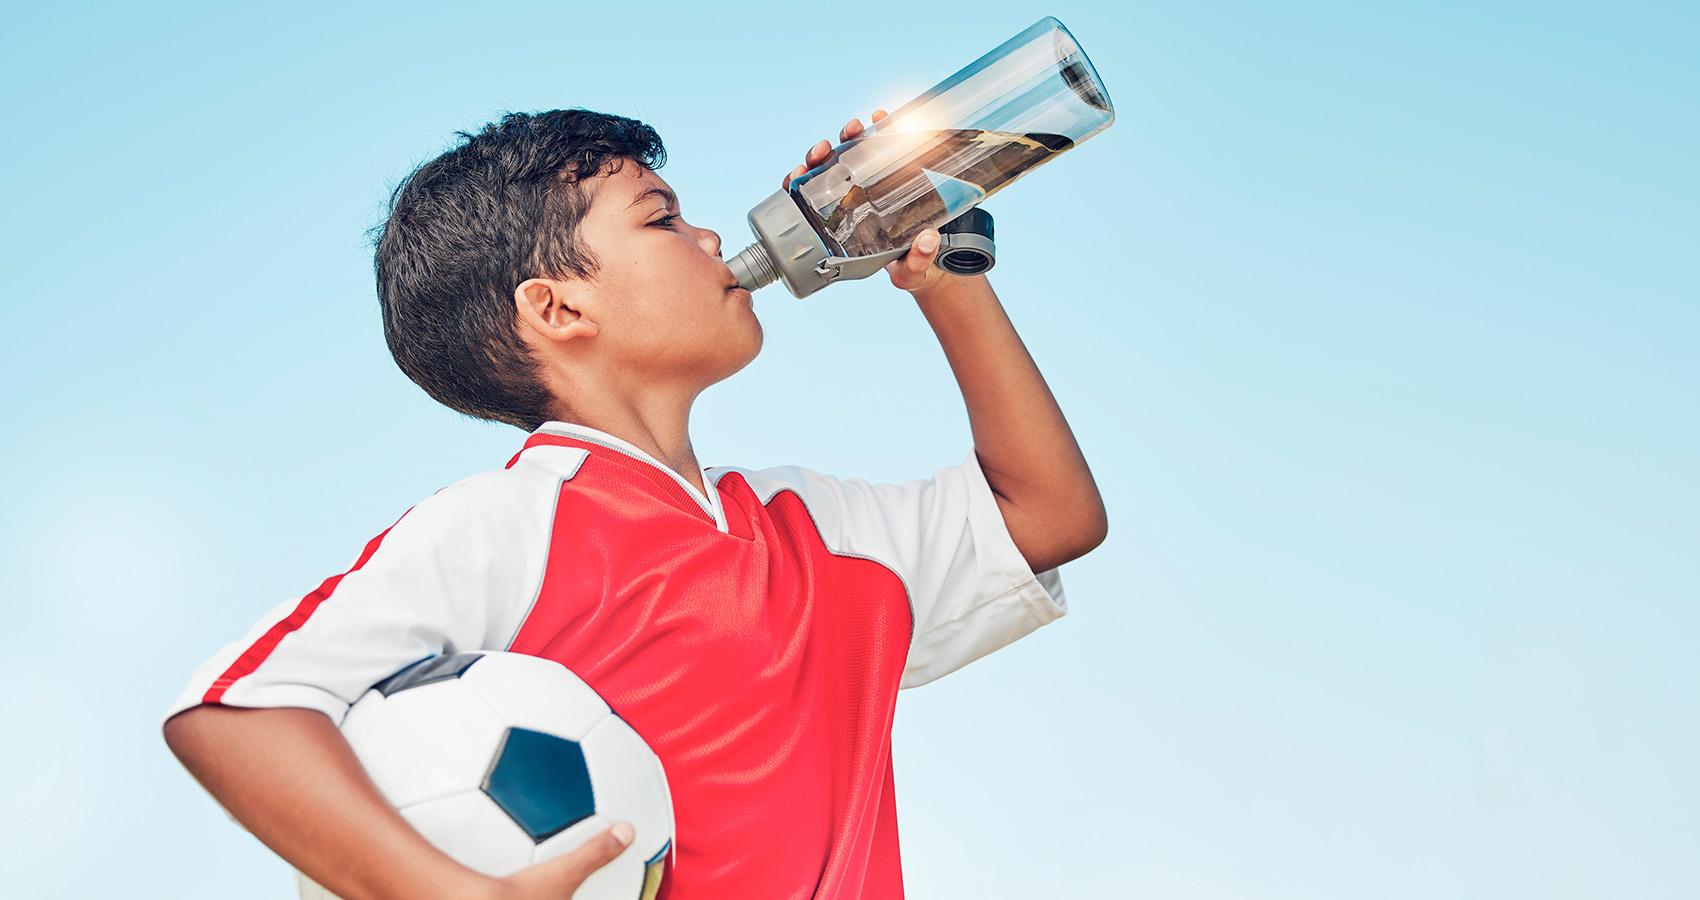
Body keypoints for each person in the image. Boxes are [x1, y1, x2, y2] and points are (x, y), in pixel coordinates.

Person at [161, 106, 1108, 900]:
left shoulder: (814, 527)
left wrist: (948, 281)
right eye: (661, 219)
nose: (709, 239)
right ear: (559, 311)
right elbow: (237, 709)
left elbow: (1050, 516)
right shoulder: (511, 525)